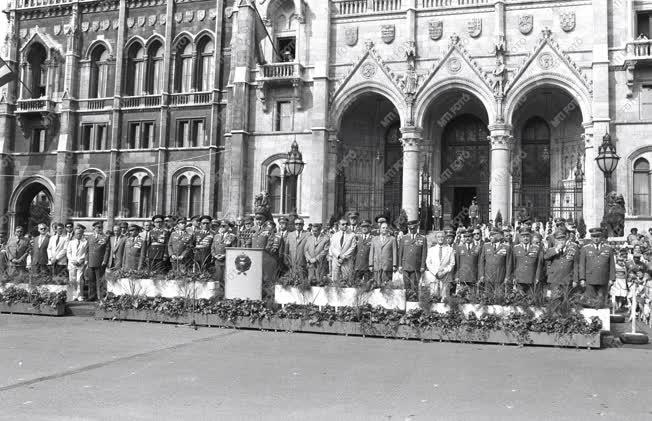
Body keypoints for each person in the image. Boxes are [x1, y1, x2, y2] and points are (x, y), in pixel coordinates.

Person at [579, 227, 615, 303]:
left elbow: (612, 265)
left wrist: (612, 279)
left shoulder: (608, 248)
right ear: (591, 237)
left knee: (602, 300)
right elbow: (582, 265)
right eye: (594, 236)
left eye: (598, 236)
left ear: (601, 236)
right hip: (590, 279)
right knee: (590, 300)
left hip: (603, 279)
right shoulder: (585, 249)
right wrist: (582, 279)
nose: (596, 239)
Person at [398, 220, 428, 300]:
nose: (412, 230)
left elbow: (424, 254)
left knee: (415, 285)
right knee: (406, 285)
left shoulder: (422, 238)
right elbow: (400, 252)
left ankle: (414, 303)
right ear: (408, 228)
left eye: (413, 228)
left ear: (417, 227)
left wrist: (422, 266)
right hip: (405, 266)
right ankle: (406, 301)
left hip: (416, 266)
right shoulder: (404, 238)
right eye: (410, 229)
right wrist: (400, 265)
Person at [544, 229, 579, 294]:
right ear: (555, 241)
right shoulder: (552, 250)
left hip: (567, 279)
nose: (561, 242)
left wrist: (575, 280)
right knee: (553, 299)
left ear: (566, 239)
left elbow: (576, 264)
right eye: (558, 240)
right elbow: (546, 257)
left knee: (566, 300)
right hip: (554, 279)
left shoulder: (574, 248)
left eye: (562, 239)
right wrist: (557, 249)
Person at [424, 231, 455, 299]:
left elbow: (452, 263)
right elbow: (428, 263)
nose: (440, 238)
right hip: (434, 276)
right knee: (433, 297)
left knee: (445, 298)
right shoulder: (431, 250)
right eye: (439, 237)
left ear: (445, 238)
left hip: (445, 276)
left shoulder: (450, 249)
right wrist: (436, 272)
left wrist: (443, 272)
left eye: (442, 237)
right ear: (436, 238)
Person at [511, 228, 543, 293]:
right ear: (520, 238)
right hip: (519, 278)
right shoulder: (515, 248)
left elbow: (539, 265)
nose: (525, 238)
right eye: (523, 237)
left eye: (527, 236)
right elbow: (513, 264)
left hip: (531, 278)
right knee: (518, 299)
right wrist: (513, 277)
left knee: (530, 300)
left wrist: (537, 277)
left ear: (530, 237)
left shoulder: (536, 248)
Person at [86, 221, 110, 301]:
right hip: (91, 261)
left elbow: (107, 250)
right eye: (97, 227)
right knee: (91, 280)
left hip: (100, 262)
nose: (99, 229)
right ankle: (92, 296)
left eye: (101, 227)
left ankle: (101, 297)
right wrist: (86, 260)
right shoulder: (90, 237)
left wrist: (105, 260)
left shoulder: (105, 237)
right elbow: (87, 249)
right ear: (94, 228)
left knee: (100, 280)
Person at [368, 222, 397, 286]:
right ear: (380, 229)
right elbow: (371, 253)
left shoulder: (392, 239)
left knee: (387, 286)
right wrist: (371, 264)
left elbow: (394, 252)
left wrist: (394, 265)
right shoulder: (374, 239)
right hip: (377, 265)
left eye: (386, 228)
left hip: (387, 265)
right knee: (376, 285)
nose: (385, 229)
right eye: (383, 228)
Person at [328, 219, 357, 283]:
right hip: (336, 260)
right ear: (339, 225)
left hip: (346, 260)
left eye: (346, 224)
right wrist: (338, 255)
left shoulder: (352, 235)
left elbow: (352, 248)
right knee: (335, 280)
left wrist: (343, 256)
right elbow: (332, 247)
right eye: (343, 224)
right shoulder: (335, 235)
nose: (345, 225)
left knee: (346, 280)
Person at [66, 224, 88, 301]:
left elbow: (86, 252)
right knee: (72, 279)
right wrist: (73, 260)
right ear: (74, 234)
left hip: (80, 263)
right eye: (76, 233)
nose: (78, 235)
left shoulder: (85, 242)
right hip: (72, 263)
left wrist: (81, 260)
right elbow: (68, 253)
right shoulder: (71, 242)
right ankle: (74, 295)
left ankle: (80, 295)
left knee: (79, 280)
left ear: (82, 234)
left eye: (79, 233)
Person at [352, 220, 373, 285]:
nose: (364, 228)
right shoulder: (357, 238)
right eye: (362, 227)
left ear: (369, 228)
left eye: (366, 226)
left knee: (367, 286)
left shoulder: (373, 239)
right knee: (356, 285)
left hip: (368, 267)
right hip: (358, 266)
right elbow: (354, 251)